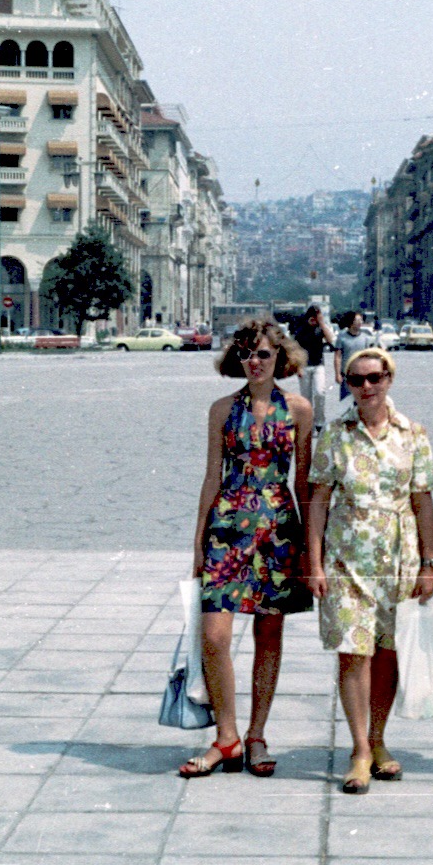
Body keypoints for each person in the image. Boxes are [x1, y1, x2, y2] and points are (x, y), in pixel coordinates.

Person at [181, 318, 314, 778]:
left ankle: (255, 735)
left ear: (281, 357)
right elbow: (211, 476)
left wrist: (310, 549)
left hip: (277, 530)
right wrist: (199, 541)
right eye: (246, 354)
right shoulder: (222, 410)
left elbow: (304, 483)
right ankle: (227, 736)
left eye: (262, 354)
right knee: (214, 636)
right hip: (227, 528)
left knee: (268, 635)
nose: (253, 362)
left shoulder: (299, 410)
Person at [305, 347, 433, 794]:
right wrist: (314, 561)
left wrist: (429, 564)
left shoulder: (413, 434)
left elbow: (423, 500)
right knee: (352, 651)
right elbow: (319, 500)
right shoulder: (335, 435)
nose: (366, 387)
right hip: (346, 560)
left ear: (389, 380)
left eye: (374, 378)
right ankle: (360, 748)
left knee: (386, 653)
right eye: (357, 380)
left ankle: (379, 739)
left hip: (398, 560)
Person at [290, 304, 336, 431]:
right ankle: (307, 421)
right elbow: (295, 349)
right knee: (306, 397)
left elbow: (331, 339)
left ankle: (320, 421)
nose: (314, 319)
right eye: (313, 316)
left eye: (317, 316)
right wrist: (297, 367)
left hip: (318, 365)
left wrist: (321, 323)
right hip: (304, 366)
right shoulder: (301, 328)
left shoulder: (320, 328)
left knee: (320, 392)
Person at [333, 310, 379, 403]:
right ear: (350, 322)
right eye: (357, 320)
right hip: (347, 375)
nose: (360, 322)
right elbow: (337, 356)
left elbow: (368, 357)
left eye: (361, 320)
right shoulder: (342, 337)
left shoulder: (365, 338)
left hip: (362, 375)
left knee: (361, 402)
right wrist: (337, 374)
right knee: (346, 402)